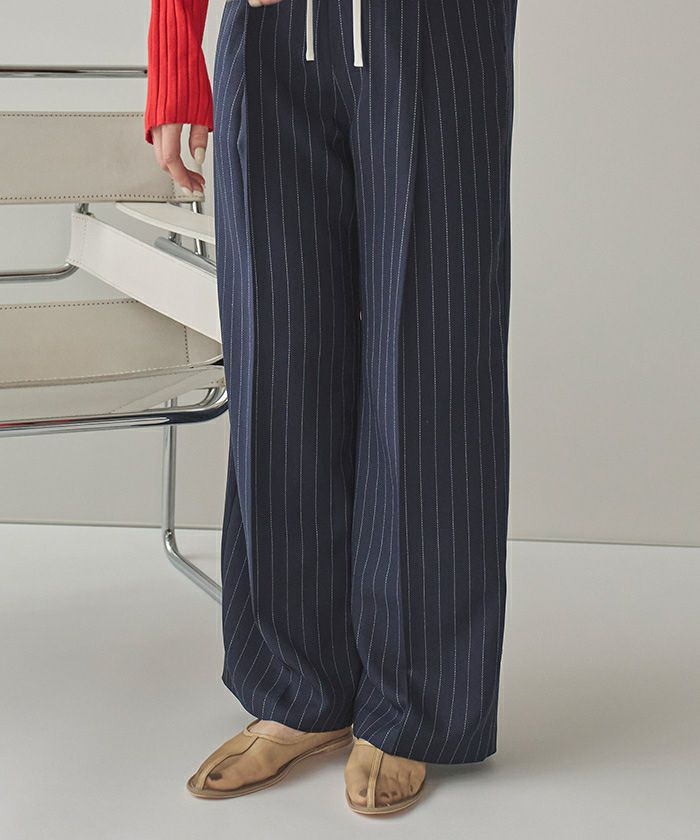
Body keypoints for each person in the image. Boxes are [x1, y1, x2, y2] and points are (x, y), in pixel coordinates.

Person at [145, 0, 517, 815]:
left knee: (430, 365)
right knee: (277, 359)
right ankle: (297, 686)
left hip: (432, 30)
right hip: (268, 33)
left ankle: (412, 703)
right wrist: (175, 50)